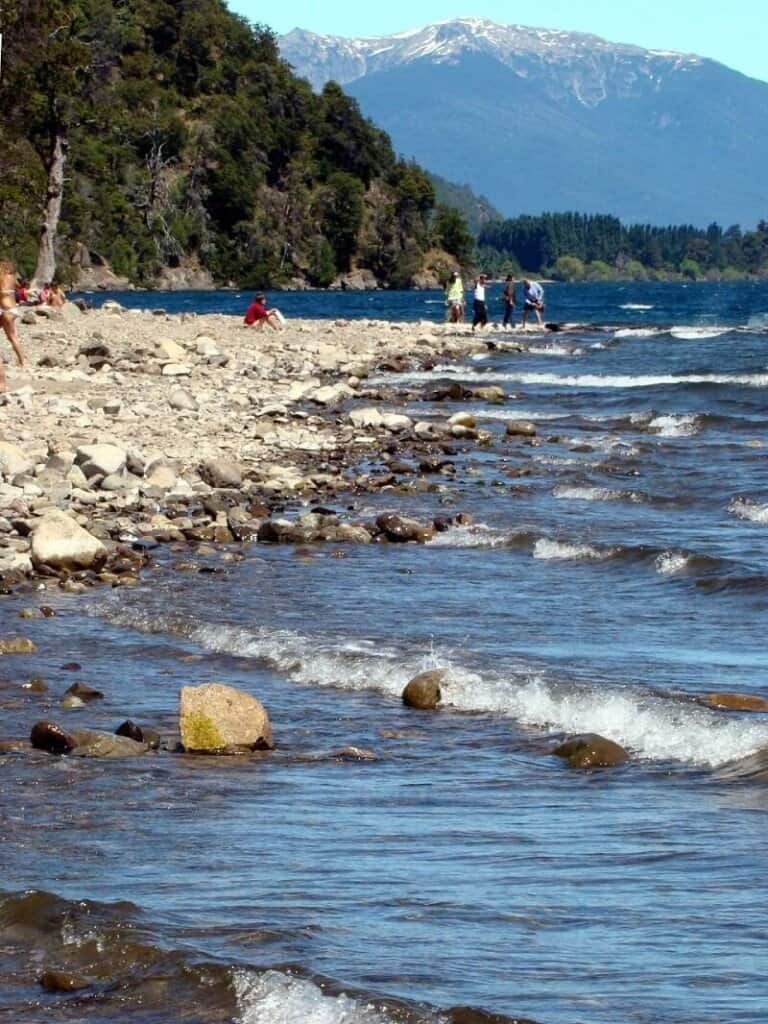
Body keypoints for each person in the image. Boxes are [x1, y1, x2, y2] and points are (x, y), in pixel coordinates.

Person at [0, 258, 25, 391]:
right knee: (13, 337)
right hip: (13, 308)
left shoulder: (2, 277)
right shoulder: (12, 278)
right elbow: (18, 287)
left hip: (5, 309)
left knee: (11, 337)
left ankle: (21, 361)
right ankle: (21, 360)